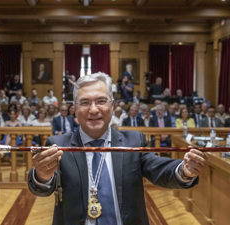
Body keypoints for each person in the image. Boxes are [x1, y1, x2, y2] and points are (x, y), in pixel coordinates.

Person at [28, 73, 207, 225]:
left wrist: (184, 171)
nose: (93, 109)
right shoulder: (59, 144)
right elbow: (42, 188)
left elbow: (159, 168)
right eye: (84, 103)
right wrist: (42, 175)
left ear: (112, 106)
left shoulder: (133, 141)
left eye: (101, 101)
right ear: (74, 109)